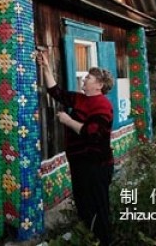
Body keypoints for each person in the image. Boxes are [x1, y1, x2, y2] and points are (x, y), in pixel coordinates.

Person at [37, 50, 114, 246]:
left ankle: (104, 241)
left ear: (99, 85)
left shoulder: (103, 105)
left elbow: (93, 134)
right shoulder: (81, 98)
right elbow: (56, 92)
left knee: (98, 207)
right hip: (80, 164)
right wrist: (45, 66)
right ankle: (89, 238)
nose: (84, 79)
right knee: (83, 205)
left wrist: (68, 120)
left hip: (96, 166)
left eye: (89, 77)